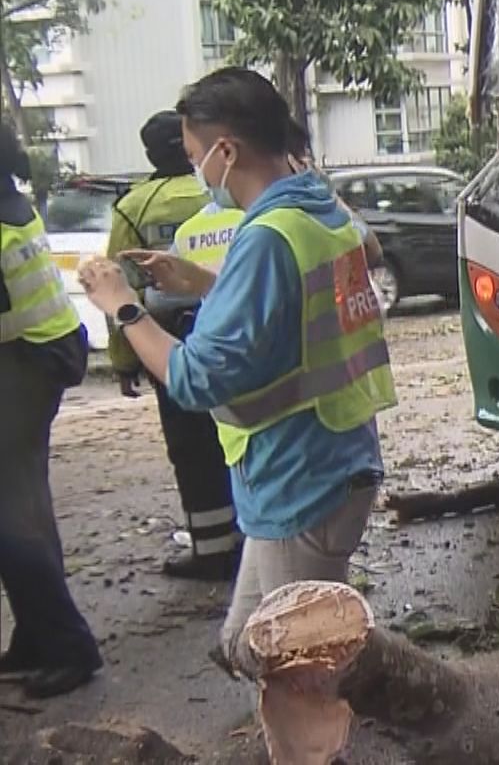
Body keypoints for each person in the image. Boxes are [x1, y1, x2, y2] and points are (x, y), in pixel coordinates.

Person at [78, 68, 396, 666]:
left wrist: (120, 304)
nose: (199, 173)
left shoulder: (267, 238)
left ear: (227, 151)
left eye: (197, 157)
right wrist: (199, 279)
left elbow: (195, 378)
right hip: (331, 462)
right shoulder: (318, 209)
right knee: (243, 645)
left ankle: (366, 722)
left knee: (294, 664)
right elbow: (294, 305)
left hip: (300, 477)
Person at [106, 111, 245, 579]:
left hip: (168, 334)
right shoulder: (229, 190)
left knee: (190, 446)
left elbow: (120, 284)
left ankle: (211, 549)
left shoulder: (134, 206)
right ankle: (251, 534)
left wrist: (125, 360)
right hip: (241, 329)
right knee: (242, 433)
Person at [0, 120, 103, 698]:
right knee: (27, 507)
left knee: (11, 520)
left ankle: (70, 648)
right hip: (42, 356)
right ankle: (37, 639)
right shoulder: (9, 193)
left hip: (21, 365)